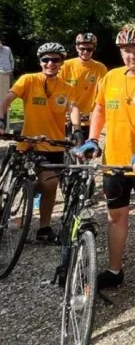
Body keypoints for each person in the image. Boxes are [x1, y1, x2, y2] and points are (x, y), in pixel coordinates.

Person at [75, 25, 135, 303]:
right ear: (121, 52)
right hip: (114, 160)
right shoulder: (111, 77)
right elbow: (100, 109)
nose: (132, 56)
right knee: (115, 216)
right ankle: (114, 270)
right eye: (127, 51)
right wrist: (93, 138)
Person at [0, 43, 76, 243]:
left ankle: (44, 227)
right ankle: (11, 200)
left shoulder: (66, 88)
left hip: (54, 144)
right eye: (46, 59)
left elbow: (74, 108)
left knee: (49, 185)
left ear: (61, 62)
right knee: (17, 180)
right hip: (29, 142)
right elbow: (8, 99)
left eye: (55, 59)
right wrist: (0, 119)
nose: (50, 63)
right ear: (40, 61)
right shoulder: (28, 79)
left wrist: (76, 129)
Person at [59, 32, 108, 142]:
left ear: (94, 49)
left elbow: (103, 91)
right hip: (65, 116)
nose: (85, 52)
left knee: (83, 153)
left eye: (89, 49)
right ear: (76, 48)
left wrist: (96, 111)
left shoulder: (100, 68)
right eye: (82, 48)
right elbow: (56, 89)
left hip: (87, 118)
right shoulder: (65, 66)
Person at [0, 37, 14, 127]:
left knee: (10, 91)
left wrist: (11, 68)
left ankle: (8, 105)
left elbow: (11, 59)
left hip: (8, 72)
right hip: (0, 73)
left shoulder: (7, 49)